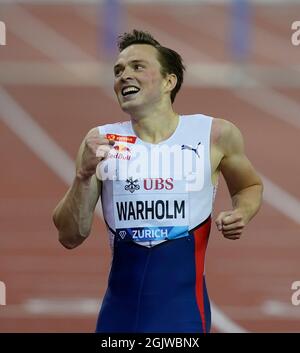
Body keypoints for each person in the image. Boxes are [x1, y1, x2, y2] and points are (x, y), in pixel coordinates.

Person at [52, 30, 263, 333]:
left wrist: (241, 212)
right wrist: (82, 176)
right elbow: (69, 236)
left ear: (169, 81)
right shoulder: (101, 141)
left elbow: (248, 186)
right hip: (119, 317)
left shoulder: (214, 134)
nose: (124, 75)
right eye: (118, 70)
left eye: (137, 67)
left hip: (182, 314)